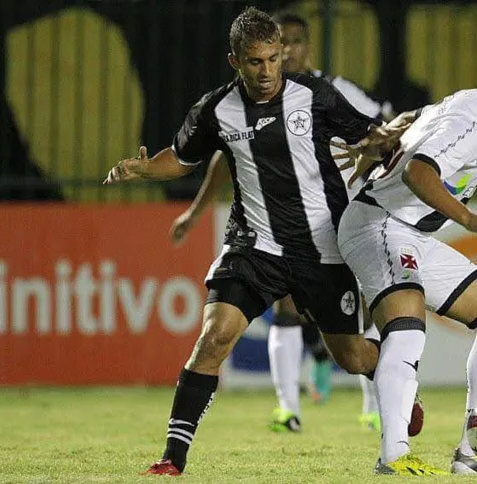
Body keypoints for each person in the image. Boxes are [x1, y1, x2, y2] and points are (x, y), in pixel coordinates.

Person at [104, 7, 403, 475]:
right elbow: (182, 160)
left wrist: (381, 146)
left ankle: (400, 375)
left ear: (281, 55)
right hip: (254, 246)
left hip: (321, 248)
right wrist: (143, 168)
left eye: (271, 60)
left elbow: (372, 137)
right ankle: (172, 459)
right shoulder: (216, 110)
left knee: (351, 356)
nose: (265, 72)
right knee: (213, 338)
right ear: (234, 61)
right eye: (254, 62)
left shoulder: (316, 96)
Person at [169, 11, 387, 434]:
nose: (279, 56)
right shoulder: (229, 108)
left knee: (353, 339)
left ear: (298, 48)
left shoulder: (332, 91)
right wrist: (195, 211)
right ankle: (288, 405)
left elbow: (381, 129)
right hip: (270, 234)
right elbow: (223, 155)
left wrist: (376, 160)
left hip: (337, 225)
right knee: (283, 311)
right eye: (269, 49)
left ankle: (377, 403)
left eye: (287, 45)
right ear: (240, 59)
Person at [337, 88, 477, 475]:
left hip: (411, 233)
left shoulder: (460, 104)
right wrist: (470, 221)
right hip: (378, 222)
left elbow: (414, 114)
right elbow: (418, 173)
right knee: (407, 327)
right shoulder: (473, 119)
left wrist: (381, 136)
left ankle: (470, 450)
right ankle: (394, 456)